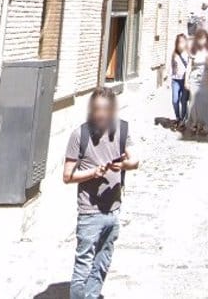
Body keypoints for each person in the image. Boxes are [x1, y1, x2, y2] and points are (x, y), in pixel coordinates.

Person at [64, 88, 139, 299]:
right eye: (97, 109)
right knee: (83, 265)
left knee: (102, 263)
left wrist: (123, 164)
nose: (101, 114)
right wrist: (93, 173)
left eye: (106, 110)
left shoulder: (122, 130)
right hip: (89, 212)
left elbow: (135, 161)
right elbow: (67, 176)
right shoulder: (80, 134)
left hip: (113, 210)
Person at [186, 29, 208, 136]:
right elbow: (189, 66)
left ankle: (201, 124)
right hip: (194, 78)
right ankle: (194, 123)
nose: (202, 41)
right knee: (193, 100)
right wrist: (186, 80)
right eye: (200, 39)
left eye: (204, 39)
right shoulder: (193, 50)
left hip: (206, 78)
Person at [168, 34, 190, 129]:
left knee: (183, 101)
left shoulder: (188, 54)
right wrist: (168, 79)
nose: (180, 44)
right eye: (178, 42)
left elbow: (189, 68)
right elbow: (171, 67)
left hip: (185, 80)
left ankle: (183, 120)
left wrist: (187, 81)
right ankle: (177, 117)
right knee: (174, 100)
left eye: (181, 42)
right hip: (175, 80)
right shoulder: (174, 53)